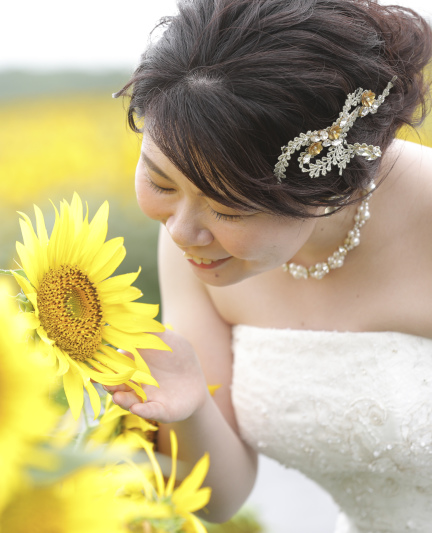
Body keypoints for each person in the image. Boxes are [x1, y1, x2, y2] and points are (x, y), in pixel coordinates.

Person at [105, 0, 432, 530]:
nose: (183, 230)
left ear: (327, 183)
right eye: (161, 182)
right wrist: (191, 410)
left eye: (228, 207)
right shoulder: (192, 248)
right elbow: (218, 500)